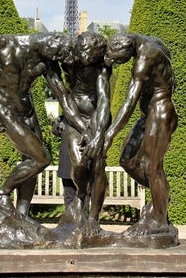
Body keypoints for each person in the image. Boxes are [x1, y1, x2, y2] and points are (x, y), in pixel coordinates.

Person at [0, 32, 90, 217]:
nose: (55, 59)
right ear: (52, 39)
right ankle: (2, 194)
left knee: (31, 163)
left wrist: (84, 128)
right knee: (41, 158)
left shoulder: (47, 61)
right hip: (6, 111)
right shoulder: (0, 43)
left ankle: (22, 215)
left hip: (27, 111)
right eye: (57, 54)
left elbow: (64, 99)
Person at [101, 33, 178, 235]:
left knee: (152, 167)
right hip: (149, 114)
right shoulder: (151, 42)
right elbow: (172, 78)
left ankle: (160, 222)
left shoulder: (145, 56)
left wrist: (109, 134)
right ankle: (161, 195)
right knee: (128, 161)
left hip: (160, 113)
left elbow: (129, 102)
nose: (117, 64)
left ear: (127, 51)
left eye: (118, 61)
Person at [59, 32, 111, 233]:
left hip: (96, 114)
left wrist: (99, 133)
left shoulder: (102, 66)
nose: (85, 56)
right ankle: (81, 194)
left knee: (98, 168)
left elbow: (104, 98)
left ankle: (93, 219)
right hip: (74, 115)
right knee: (79, 163)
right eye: (83, 51)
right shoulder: (71, 58)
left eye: (89, 53)